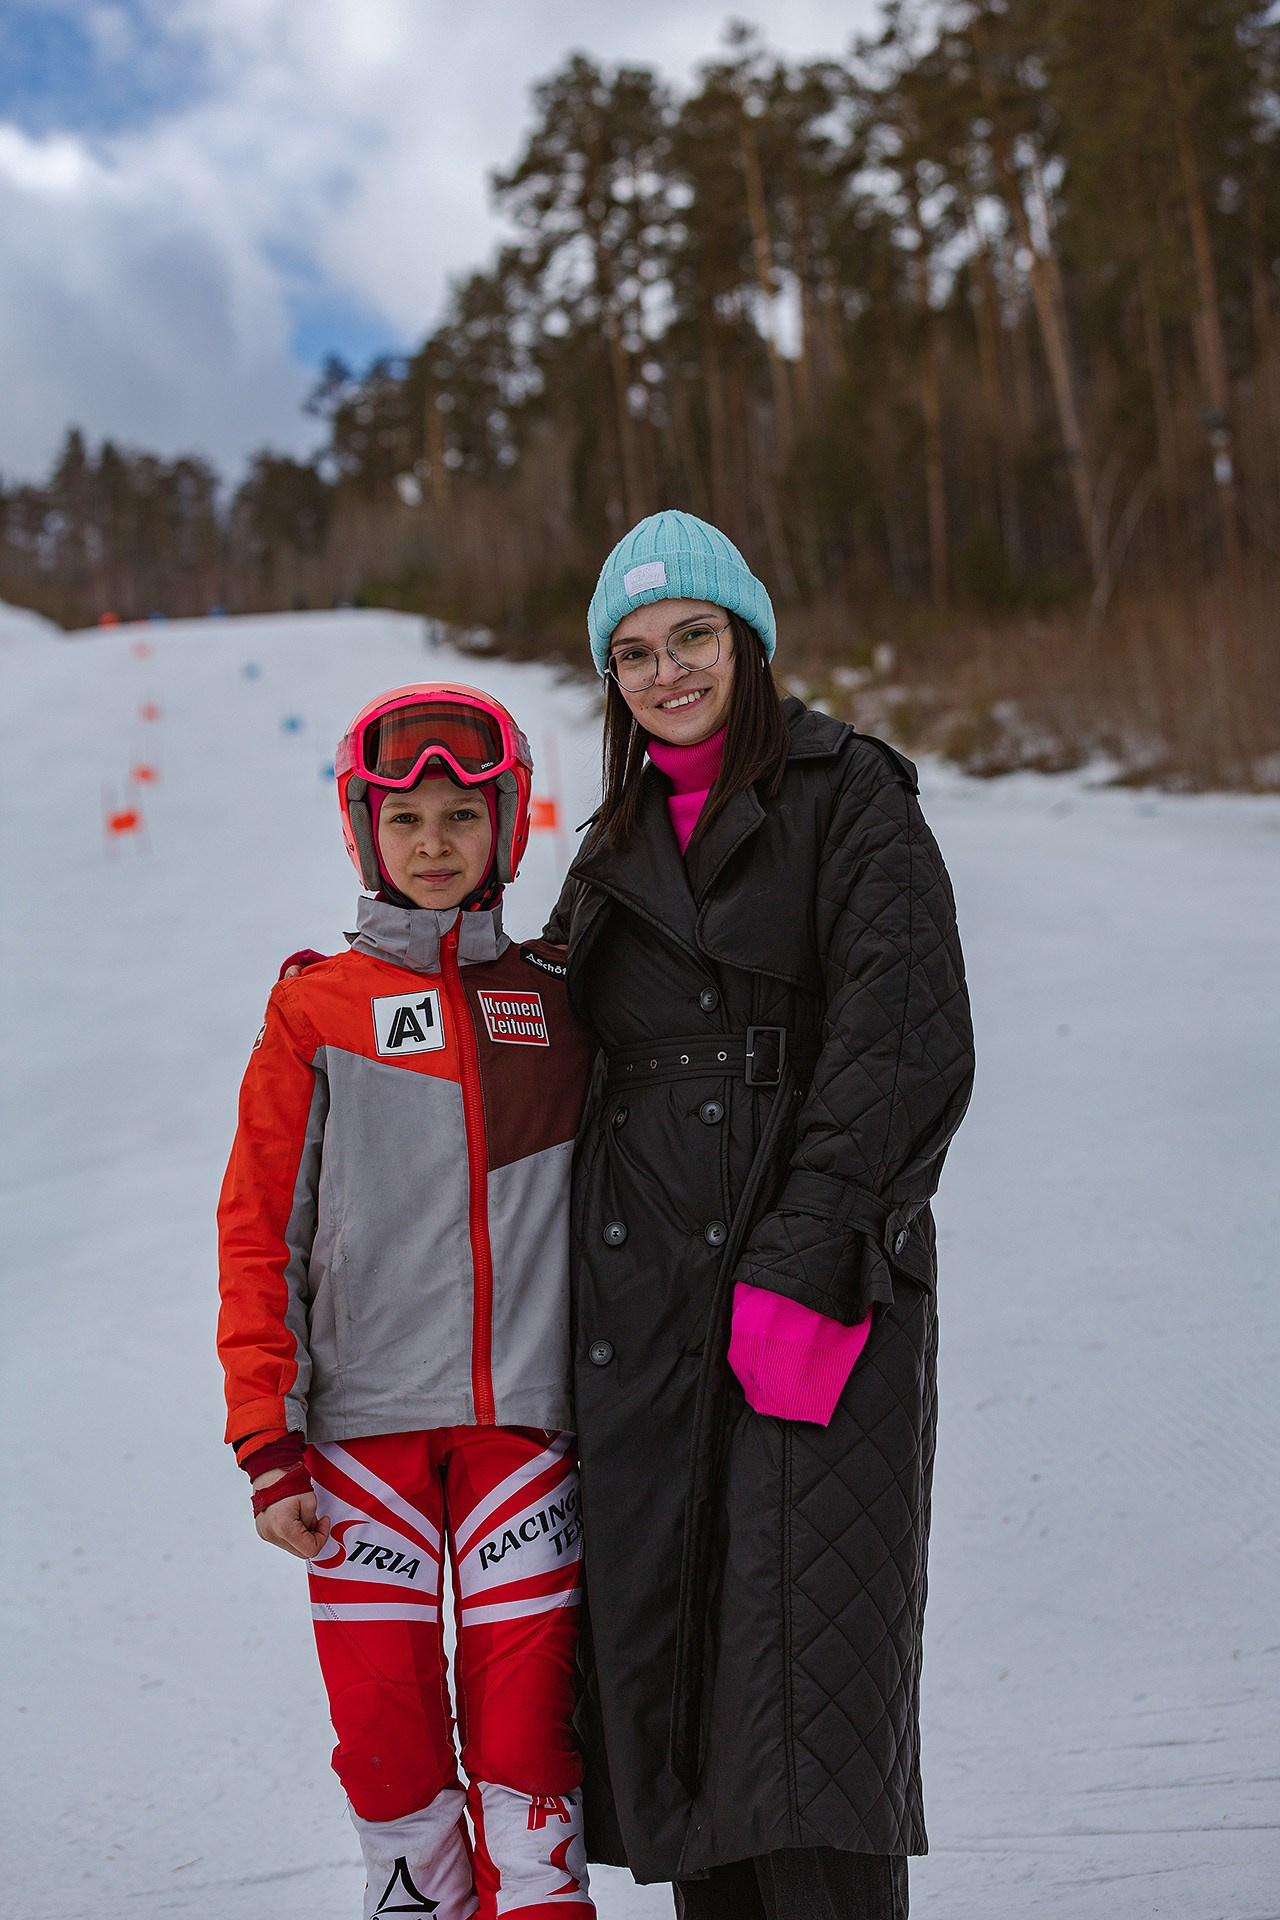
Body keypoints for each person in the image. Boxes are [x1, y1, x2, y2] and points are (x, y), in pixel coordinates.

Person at [546, 512, 976, 1919]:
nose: (666, 671)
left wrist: (807, 1267)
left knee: (809, 1737)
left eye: (691, 638)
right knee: (695, 1746)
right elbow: (549, 1069)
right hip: (651, 1333)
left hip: (807, 1317)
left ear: (748, 641)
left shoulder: (849, 796)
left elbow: (904, 1041)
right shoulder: (609, 850)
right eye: (634, 652)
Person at [217, 683, 597, 1920]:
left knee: (527, 1735)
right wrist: (268, 1435)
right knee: (385, 1738)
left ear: (505, 826)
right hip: (360, 1443)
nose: (433, 844)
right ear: (361, 831)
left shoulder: (559, 1001)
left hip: (523, 1432)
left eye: (460, 817)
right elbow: (256, 1228)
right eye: (406, 819)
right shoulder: (314, 1008)